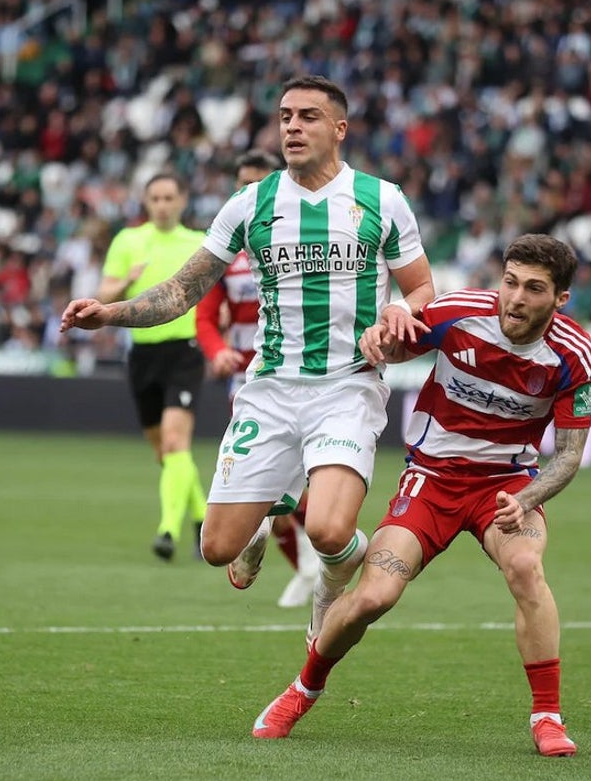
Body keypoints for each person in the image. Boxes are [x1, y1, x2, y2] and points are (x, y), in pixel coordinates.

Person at [62, 75, 435, 642]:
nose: (292, 126)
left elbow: (422, 289)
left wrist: (396, 317)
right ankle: (259, 531)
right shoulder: (250, 204)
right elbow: (182, 291)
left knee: (330, 531)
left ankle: (328, 587)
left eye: (308, 116)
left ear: (339, 129)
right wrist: (108, 314)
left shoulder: (381, 199)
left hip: (347, 386)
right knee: (215, 549)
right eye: (285, 115)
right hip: (269, 389)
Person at [251, 234, 591, 758]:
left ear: (560, 298)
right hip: (431, 480)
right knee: (373, 597)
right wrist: (377, 339)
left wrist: (526, 499)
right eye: (510, 282)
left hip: (505, 486)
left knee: (526, 568)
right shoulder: (459, 313)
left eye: (533, 289)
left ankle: (547, 715)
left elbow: (568, 456)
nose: (515, 299)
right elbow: (394, 341)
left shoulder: (574, 355)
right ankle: (303, 689)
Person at [195, 148, 320, 609]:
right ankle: (303, 561)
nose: (249, 192)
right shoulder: (228, 250)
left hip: (306, 376)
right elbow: (205, 316)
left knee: (301, 481)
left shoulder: (304, 239)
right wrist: (218, 349)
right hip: (251, 381)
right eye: (241, 185)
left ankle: (307, 557)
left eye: (257, 182)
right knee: (272, 482)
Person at [97, 172, 209, 561]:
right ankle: (202, 517)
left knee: (177, 443)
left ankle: (167, 531)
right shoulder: (128, 241)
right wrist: (124, 283)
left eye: (168, 197)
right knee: (167, 454)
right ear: (146, 203)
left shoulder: (199, 244)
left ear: (181, 201)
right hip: (142, 354)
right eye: (155, 198)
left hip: (185, 351)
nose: (162, 205)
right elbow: (103, 296)